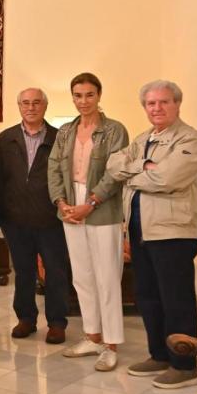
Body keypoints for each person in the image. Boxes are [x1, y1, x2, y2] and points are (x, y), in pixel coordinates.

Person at [108, 80, 197, 389]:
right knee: (148, 296)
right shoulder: (143, 139)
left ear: (177, 104)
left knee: (175, 298)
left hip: (173, 231)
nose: (157, 108)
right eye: (151, 104)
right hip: (140, 230)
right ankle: (160, 355)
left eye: (164, 102)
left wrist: (135, 174)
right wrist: (145, 166)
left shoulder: (191, 139)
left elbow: (166, 179)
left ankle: (184, 363)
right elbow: (113, 165)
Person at [49, 73, 129, 371]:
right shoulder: (65, 131)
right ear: (72, 97)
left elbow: (116, 173)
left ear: (99, 95)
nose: (83, 101)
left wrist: (90, 204)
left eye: (89, 95)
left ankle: (110, 345)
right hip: (70, 206)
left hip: (102, 208)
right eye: (78, 95)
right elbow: (54, 168)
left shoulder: (114, 130)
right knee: (81, 275)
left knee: (106, 276)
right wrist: (62, 203)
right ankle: (92, 336)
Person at [0, 88, 70, 344]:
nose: (31, 107)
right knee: (24, 272)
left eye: (36, 103)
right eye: (25, 103)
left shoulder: (61, 138)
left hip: (51, 220)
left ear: (45, 107)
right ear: (19, 107)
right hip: (15, 219)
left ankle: (57, 323)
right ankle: (26, 318)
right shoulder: (5, 139)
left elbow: (68, 177)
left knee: (56, 272)